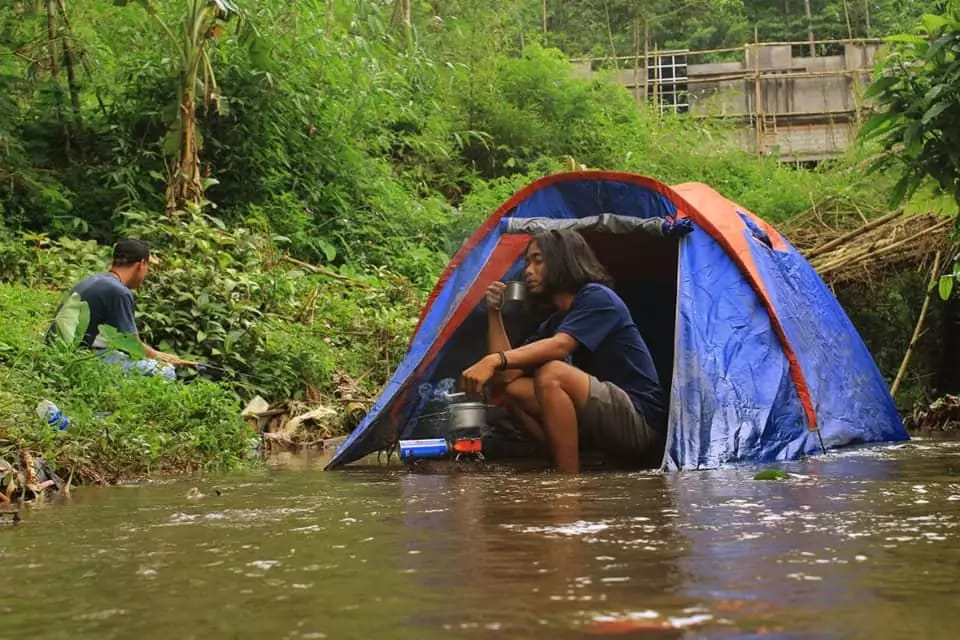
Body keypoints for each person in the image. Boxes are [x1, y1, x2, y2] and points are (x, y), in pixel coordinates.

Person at [460, 229, 666, 473]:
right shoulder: (557, 321)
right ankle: (566, 458)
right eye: (527, 263)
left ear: (562, 260)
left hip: (638, 421)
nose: (528, 271)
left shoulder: (598, 298)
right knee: (510, 388)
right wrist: (494, 313)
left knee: (552, 373)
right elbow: (506, 375)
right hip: (601, 423)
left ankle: (567, 481)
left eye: (538, 261)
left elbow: (561, 345)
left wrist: (493, 360)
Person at [50, 238, 194, 378]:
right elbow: (133, 346)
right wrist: (164, 357)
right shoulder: (119, 292)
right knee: (165, 371)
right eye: (148, 267)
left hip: (56, 350)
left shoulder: (93, 280)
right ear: (141, 264)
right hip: (79, 358)